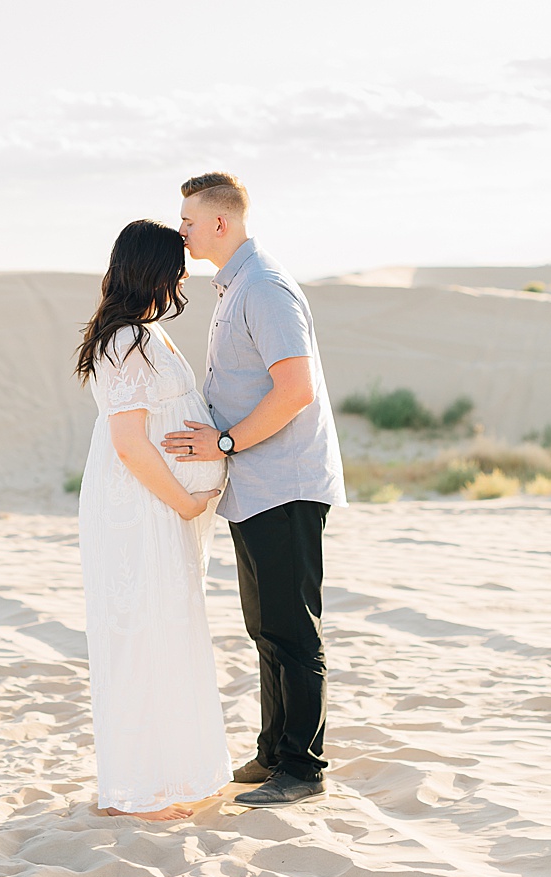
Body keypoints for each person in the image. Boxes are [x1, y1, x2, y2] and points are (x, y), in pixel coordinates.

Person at [164, 171, 347, 808]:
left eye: (189, 219)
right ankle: (274, 753)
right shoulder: (235, 286)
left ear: (221, 222)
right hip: (256, 484)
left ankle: (303, 766)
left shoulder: (264, 289)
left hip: (286, 481)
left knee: (293, 628)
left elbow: (296, 390)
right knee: (265, 625)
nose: (180, 229)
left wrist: (223, 443)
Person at [73, 219, 230, 821]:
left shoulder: (148, 333)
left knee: (168, 631)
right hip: (142, 507)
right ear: (154, 270)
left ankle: (174, 775)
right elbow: (130, 444)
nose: (185, 274)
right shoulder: (123, 342)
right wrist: (186, 501)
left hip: (162, 506)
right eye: (177, 264)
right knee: (144, 634)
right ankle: (144, 788)